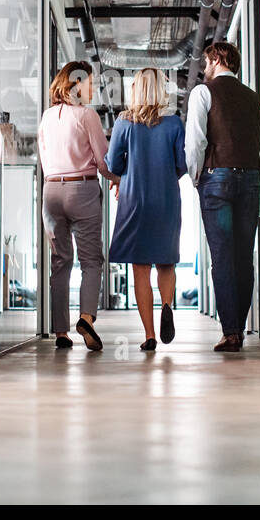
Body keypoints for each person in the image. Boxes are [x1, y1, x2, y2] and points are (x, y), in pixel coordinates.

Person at [185, 41, 260, 352]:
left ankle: (231, 331)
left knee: (222, 257)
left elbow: (196, 141)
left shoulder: (203, 93)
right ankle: (238, 328)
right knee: (244, 257)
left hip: (216, 179)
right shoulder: (253, 99)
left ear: (217, 59)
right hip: (251, 177)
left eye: (207, 61)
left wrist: (195, 177)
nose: (205, 67)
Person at [38, 61, 117, 351]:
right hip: (81, 188)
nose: (94, 88)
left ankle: (61, 331)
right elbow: (103, 160)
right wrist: (118, 178)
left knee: (60, 262)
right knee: (91, 261)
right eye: (91, 83)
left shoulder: (47, 117)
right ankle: (86, 318)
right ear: (77, 84)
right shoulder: (87, 115)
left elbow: (44, 157)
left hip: (51, 191)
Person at [106, 67, 186, 351]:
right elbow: (182, 165)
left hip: (134, 200)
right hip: (166, 199)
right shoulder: (174, 123)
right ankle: (166, 304)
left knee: (141, 268)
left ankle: (150, 335)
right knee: (167, 262)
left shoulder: (124, 123)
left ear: (135, 90)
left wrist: (127, 172)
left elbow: (113, 165)